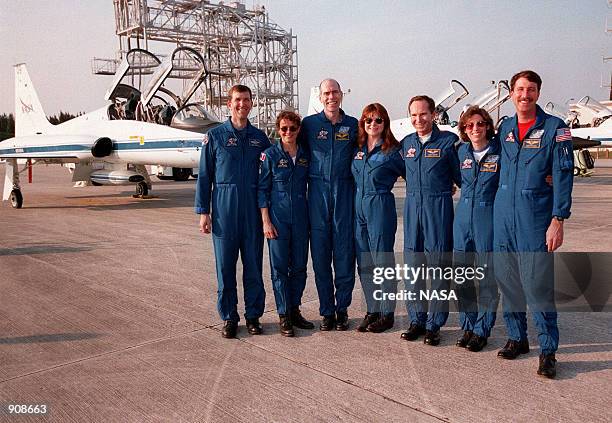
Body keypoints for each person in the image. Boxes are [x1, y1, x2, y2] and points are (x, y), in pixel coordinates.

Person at [494, 70, 573, 378]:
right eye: (519, 89)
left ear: (538, 93)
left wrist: (559, 219)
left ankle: (548, 349)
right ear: (511, 93)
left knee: (537, 286)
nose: (524, 95)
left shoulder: (556, 128)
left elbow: (563, 176)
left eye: (530, 90)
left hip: (535, 219)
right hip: (504, 218)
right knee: (509, 281)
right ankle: (517, 337)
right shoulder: (506, 128)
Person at [195, 84, 271, 339]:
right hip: (224, 210)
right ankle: (229, 316)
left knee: (253, 266)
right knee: (225, 268)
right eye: (238, 100)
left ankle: (253, 316)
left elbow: (269, 177)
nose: (243, 104)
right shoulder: (215, 136)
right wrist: (203, 211)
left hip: (251, 209)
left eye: (247, 100)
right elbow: (205, 176)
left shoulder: (260, 138)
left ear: (251, 103)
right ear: (229, 104)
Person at [400, 95, 461, 346]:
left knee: (438, 264)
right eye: (414, 115)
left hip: (439, 207)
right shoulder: (406, 144)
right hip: (413, 206)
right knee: (413, 264)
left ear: (433, 114)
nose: (418, 119)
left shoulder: (449, 142)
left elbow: (465, 175)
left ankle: (435, 324)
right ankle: (417, 319)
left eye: (423, 114)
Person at [298, 78, 358, 331]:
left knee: (344, 256)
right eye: (326, 93)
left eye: (335, 92)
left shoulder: (353, 125)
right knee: (321, 258)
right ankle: (327, 311)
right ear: (320, 97)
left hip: (344, 193)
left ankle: (342, 308)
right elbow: (295, 154)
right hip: (318, 194)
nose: (331, 96)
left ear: (341, 94)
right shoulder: (309, 124)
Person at [258, 110, 315, 337]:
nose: (288, 132)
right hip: (278, 220)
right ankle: (283, 315)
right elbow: (262, 190)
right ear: (278, 130)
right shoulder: (270, 155)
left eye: (292, 128)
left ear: (298, 130)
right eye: (283, 129)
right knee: (280, 269)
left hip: (301, 217)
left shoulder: (305, 155)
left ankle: (294, 309)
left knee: (300, 266)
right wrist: (266, 221)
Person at [352, 103, 405, 333]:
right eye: (368, 120)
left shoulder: (392, 151)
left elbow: (414, 174)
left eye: (377, 120)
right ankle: (372, 309)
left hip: (380, 205)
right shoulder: (359, 149)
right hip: (358, 207)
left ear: (385, 123)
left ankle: (387, 313)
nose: (373, 124)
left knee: (382, 260)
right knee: (365, 262)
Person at [453, 106, 500, 352]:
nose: (475, 129)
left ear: (488, 126)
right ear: (463, 129)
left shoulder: (500, 153)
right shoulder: (461, 152)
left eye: (480, 124)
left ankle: (482, 329)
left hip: (488, 217)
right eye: (469, 125)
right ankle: (468, 326)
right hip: (462, 217)